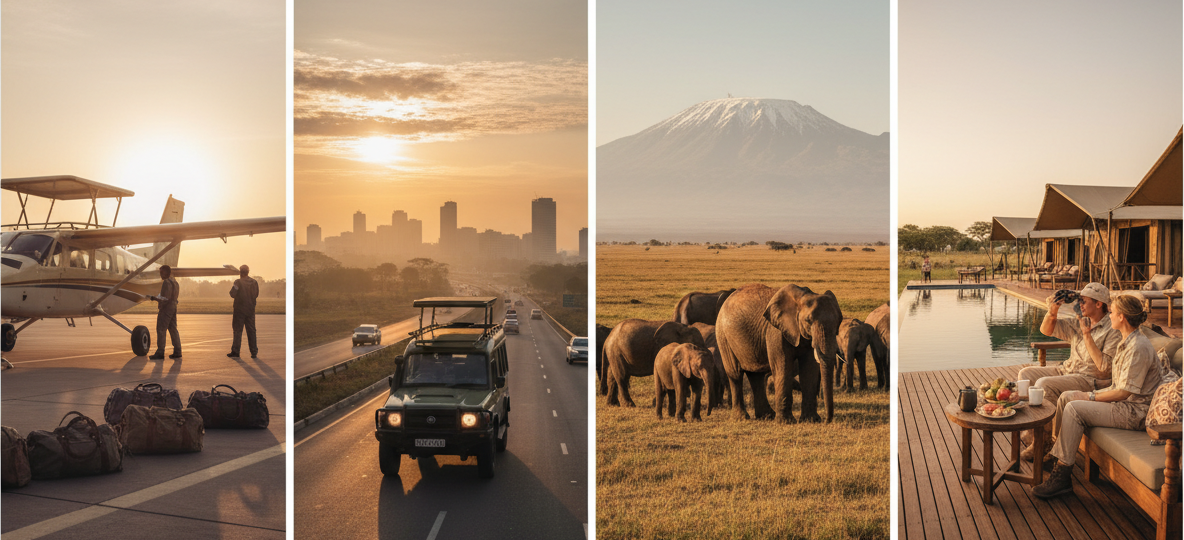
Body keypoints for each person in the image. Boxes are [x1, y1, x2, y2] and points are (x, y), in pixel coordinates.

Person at [1032, 295, 1162, 498]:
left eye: (1112, 312)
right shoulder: (1127, 341)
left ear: (1122, 317)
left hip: (1135, 411)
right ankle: (1057, 457)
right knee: (1067, 397)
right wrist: (1086, 394)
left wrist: (1089, 396)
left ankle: (1062, 477)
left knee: (1075, 408)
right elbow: (1116, 385)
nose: (1109, 314)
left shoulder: (1138, 347)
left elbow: (1124, 392)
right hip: (1123, 402)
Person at [1018, 283, 1120, 463]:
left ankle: (1045, 442)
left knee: (1044, 384)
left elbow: (1106, 369)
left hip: (1090, 379)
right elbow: (1046, 330)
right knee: (1026, 374)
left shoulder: (1112, 329)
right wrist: (1053, 311)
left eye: (1084, 301)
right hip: (1067, 370)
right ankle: (1035, 432)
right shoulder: (1079, 321)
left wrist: (1086, 333)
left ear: (1098, 304)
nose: (1080, 304)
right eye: (1079, 300)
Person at [149, 265, 181, 360]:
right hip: (173, 307)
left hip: (166, 308)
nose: (161, 275)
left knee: (161, 329)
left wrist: (153, 298)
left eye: (162, 273)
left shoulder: (166, 283)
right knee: (173, 329)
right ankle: (178, 351)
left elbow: (164, 298)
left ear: (167, 272)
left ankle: (160, 352)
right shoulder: (175, 282)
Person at [228, 264, 260, 358]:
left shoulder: (238, 282)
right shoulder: (254, 282)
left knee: (238, 331)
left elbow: (232, 294)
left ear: (240, 272)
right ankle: (254, 352)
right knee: (251, 331)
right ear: (248, 272)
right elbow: (256, 294)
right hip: (250, 310)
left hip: (239, 311)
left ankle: (236, 351)